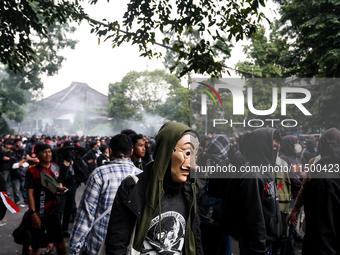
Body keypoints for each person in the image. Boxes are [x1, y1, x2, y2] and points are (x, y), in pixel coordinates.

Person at [105, 121, 203, 255]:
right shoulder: (133, 188)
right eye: (187, 153)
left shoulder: (189, 191)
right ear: (166, 151)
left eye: (195, 155)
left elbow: (195, 238)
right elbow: (117, 243)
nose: (193, 165)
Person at [69, 134, 142, 255]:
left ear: (111, 151)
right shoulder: (141, 176)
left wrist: (74, 248)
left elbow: (86, 215)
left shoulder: (99, 174)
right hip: (128, 245)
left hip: (99, 244)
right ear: (132, 151)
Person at [221, 128, 282, 255]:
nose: (275, 151)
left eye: (277, 147)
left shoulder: (266, 171)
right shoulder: (253, 176)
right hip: (256, 246)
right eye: (273, 146)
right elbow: (254, 217)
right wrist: (259, 249)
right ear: (262, 147)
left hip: (267, 241)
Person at [25, 143, 67, 255]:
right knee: (36, 244)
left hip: (54, 211)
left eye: (49, 151)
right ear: (37, 155)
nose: (47, 154)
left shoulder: (55, 167)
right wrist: (33, 214)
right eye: (44, 152)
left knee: (60, 239)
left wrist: (61, 188)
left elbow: (59, 182)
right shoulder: (32, 172)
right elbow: (30, 193)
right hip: (39, 213)